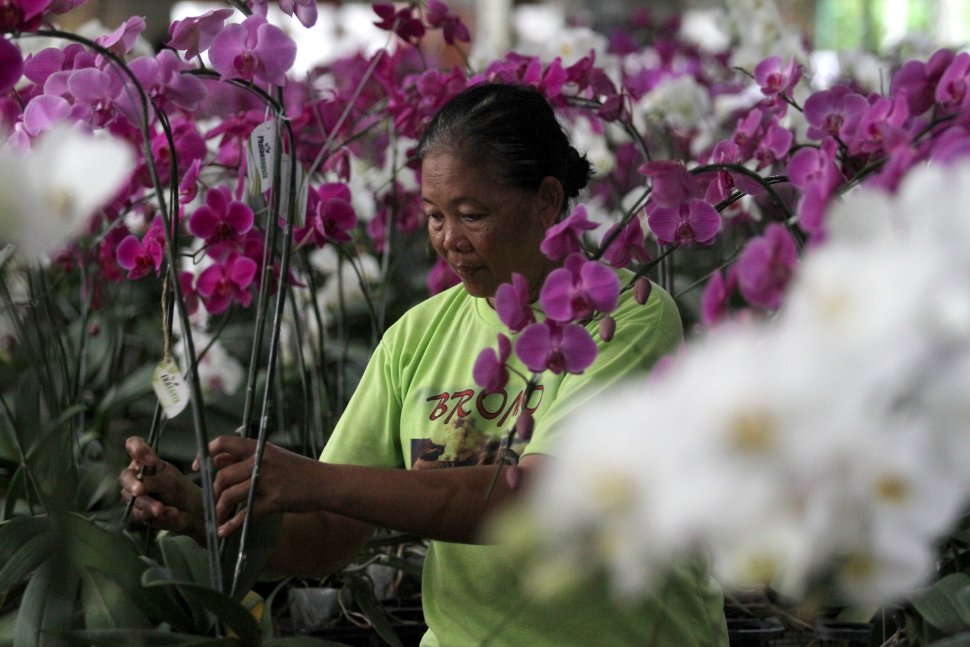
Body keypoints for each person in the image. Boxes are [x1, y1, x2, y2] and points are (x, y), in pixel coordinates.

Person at [121, 82, 728, 646]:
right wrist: (205, 510)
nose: (448, 240)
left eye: (472, 214)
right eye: (436, 216)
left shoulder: (627, 319)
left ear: (546, 200)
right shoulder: (419, 335)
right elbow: (326, 535)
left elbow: (539, 504)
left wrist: (315, 479)